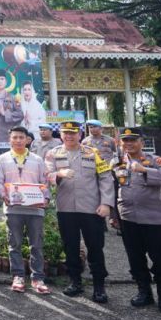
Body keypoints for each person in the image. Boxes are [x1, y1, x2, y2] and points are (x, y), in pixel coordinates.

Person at [110, 127, 161, 315]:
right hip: (128, 218)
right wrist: (113, 215)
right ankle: (144, 292)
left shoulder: (154, 160)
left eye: (133, 140)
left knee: (160, 259)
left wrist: (145, 170)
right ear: (120, 143)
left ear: (141, 142)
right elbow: (112, 188)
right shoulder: (116, 162)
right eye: (125, 140)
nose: (129, 144)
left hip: (154, 219)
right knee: (135, 258)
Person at [45, 121, 113, 302]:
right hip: (66, 208)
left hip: (92, 209)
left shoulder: (93, 153)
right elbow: (46, 176)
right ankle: (75, 282)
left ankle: (99, 286)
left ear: (80, 135)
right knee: (71, 247)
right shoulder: (53, 154)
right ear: (60, 135)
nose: (69, 136)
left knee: (95, 247)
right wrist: (58, 175)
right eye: (65, 133)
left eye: (73, 133)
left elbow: (106, 177)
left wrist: (106, 203)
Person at [0, 126, 52, 295]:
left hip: (35, 210)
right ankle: (18, 276)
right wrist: (3, 194)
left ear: (28, 140)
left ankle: (37, 278)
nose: (18, 140)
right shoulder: (2, 159)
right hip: (13, 208)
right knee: (15, 244)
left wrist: (46, 198)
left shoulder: (37, 159)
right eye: (15, 137)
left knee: (37, 245)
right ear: (9, 140)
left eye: (21, 137)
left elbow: (45, 181)